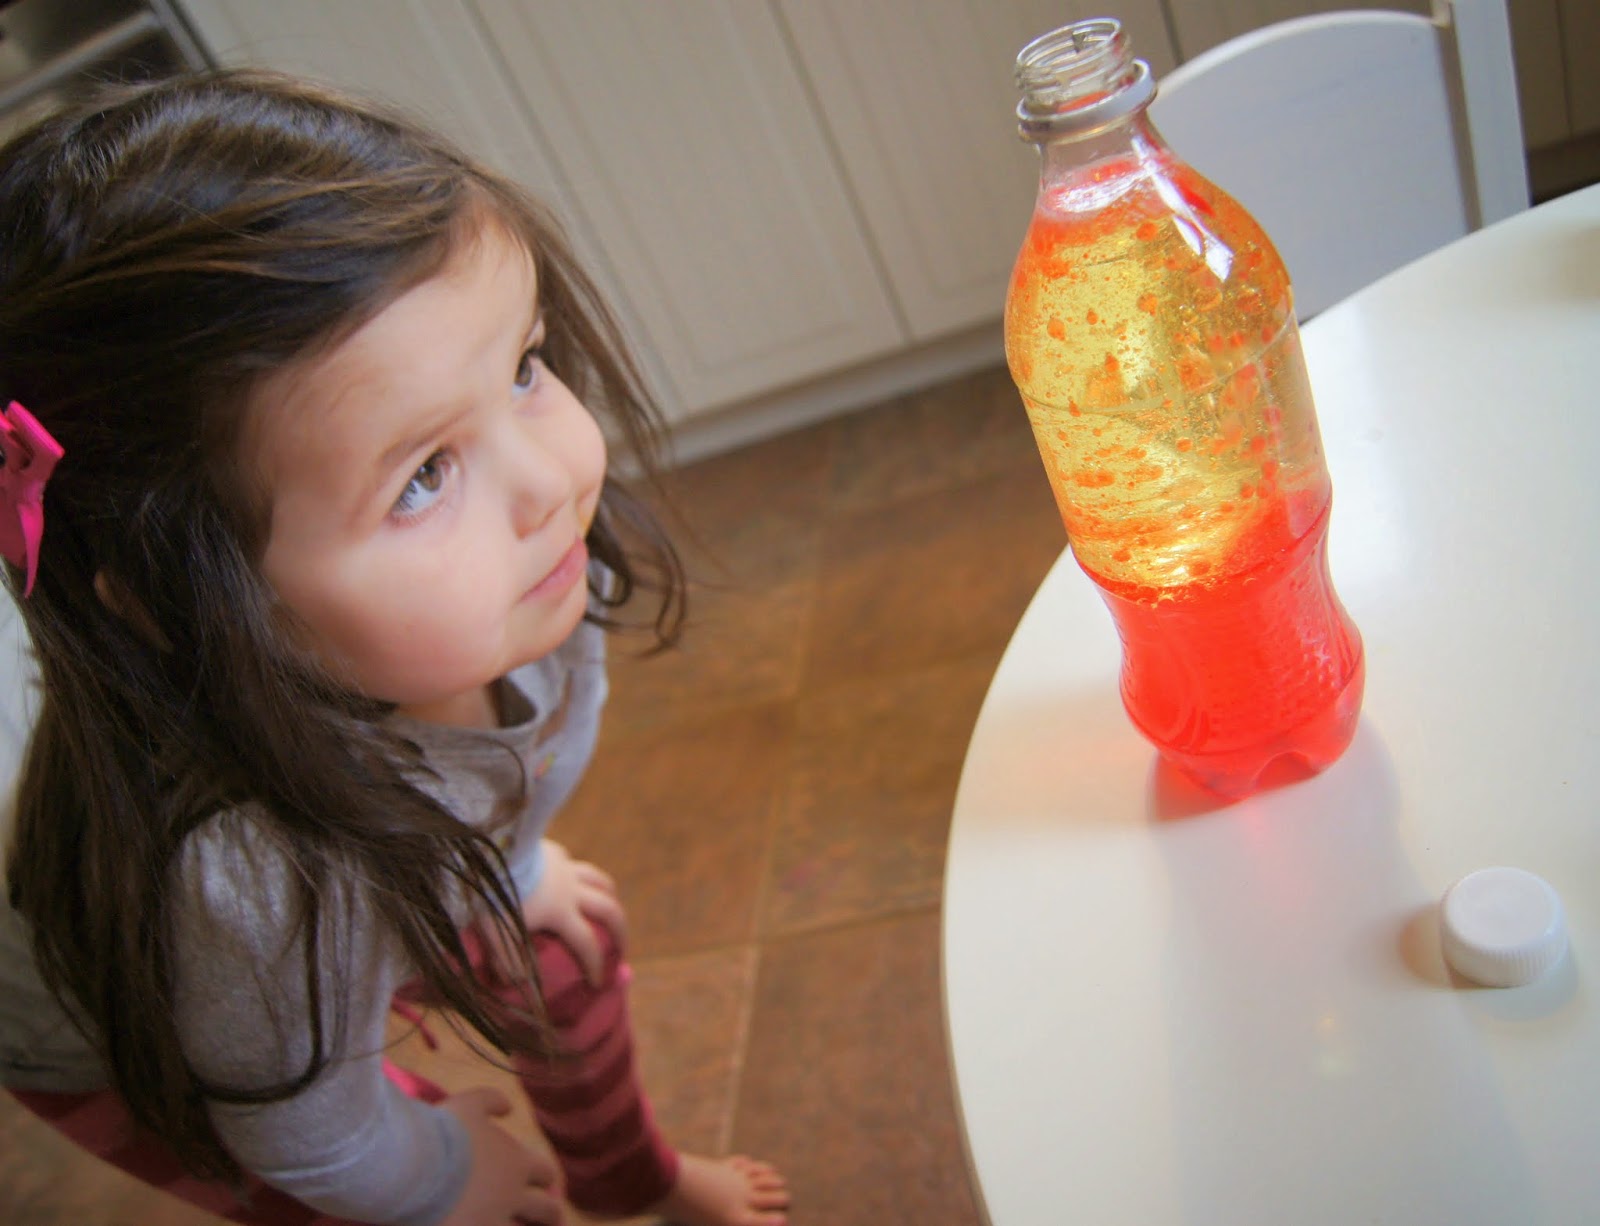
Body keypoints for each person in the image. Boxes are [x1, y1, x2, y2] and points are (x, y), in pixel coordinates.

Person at [0, 70, 790, 1226]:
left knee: (566, 948)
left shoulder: (531, 572)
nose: (550, 483)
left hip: (339, 910)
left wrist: (515, 868)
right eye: (423, 475)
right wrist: (432, 1174)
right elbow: (297, 1127)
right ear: (186, 604)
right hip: (148, 1043)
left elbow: (507, 781)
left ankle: (633, 1178)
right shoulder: (247, 879)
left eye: (522, 368)